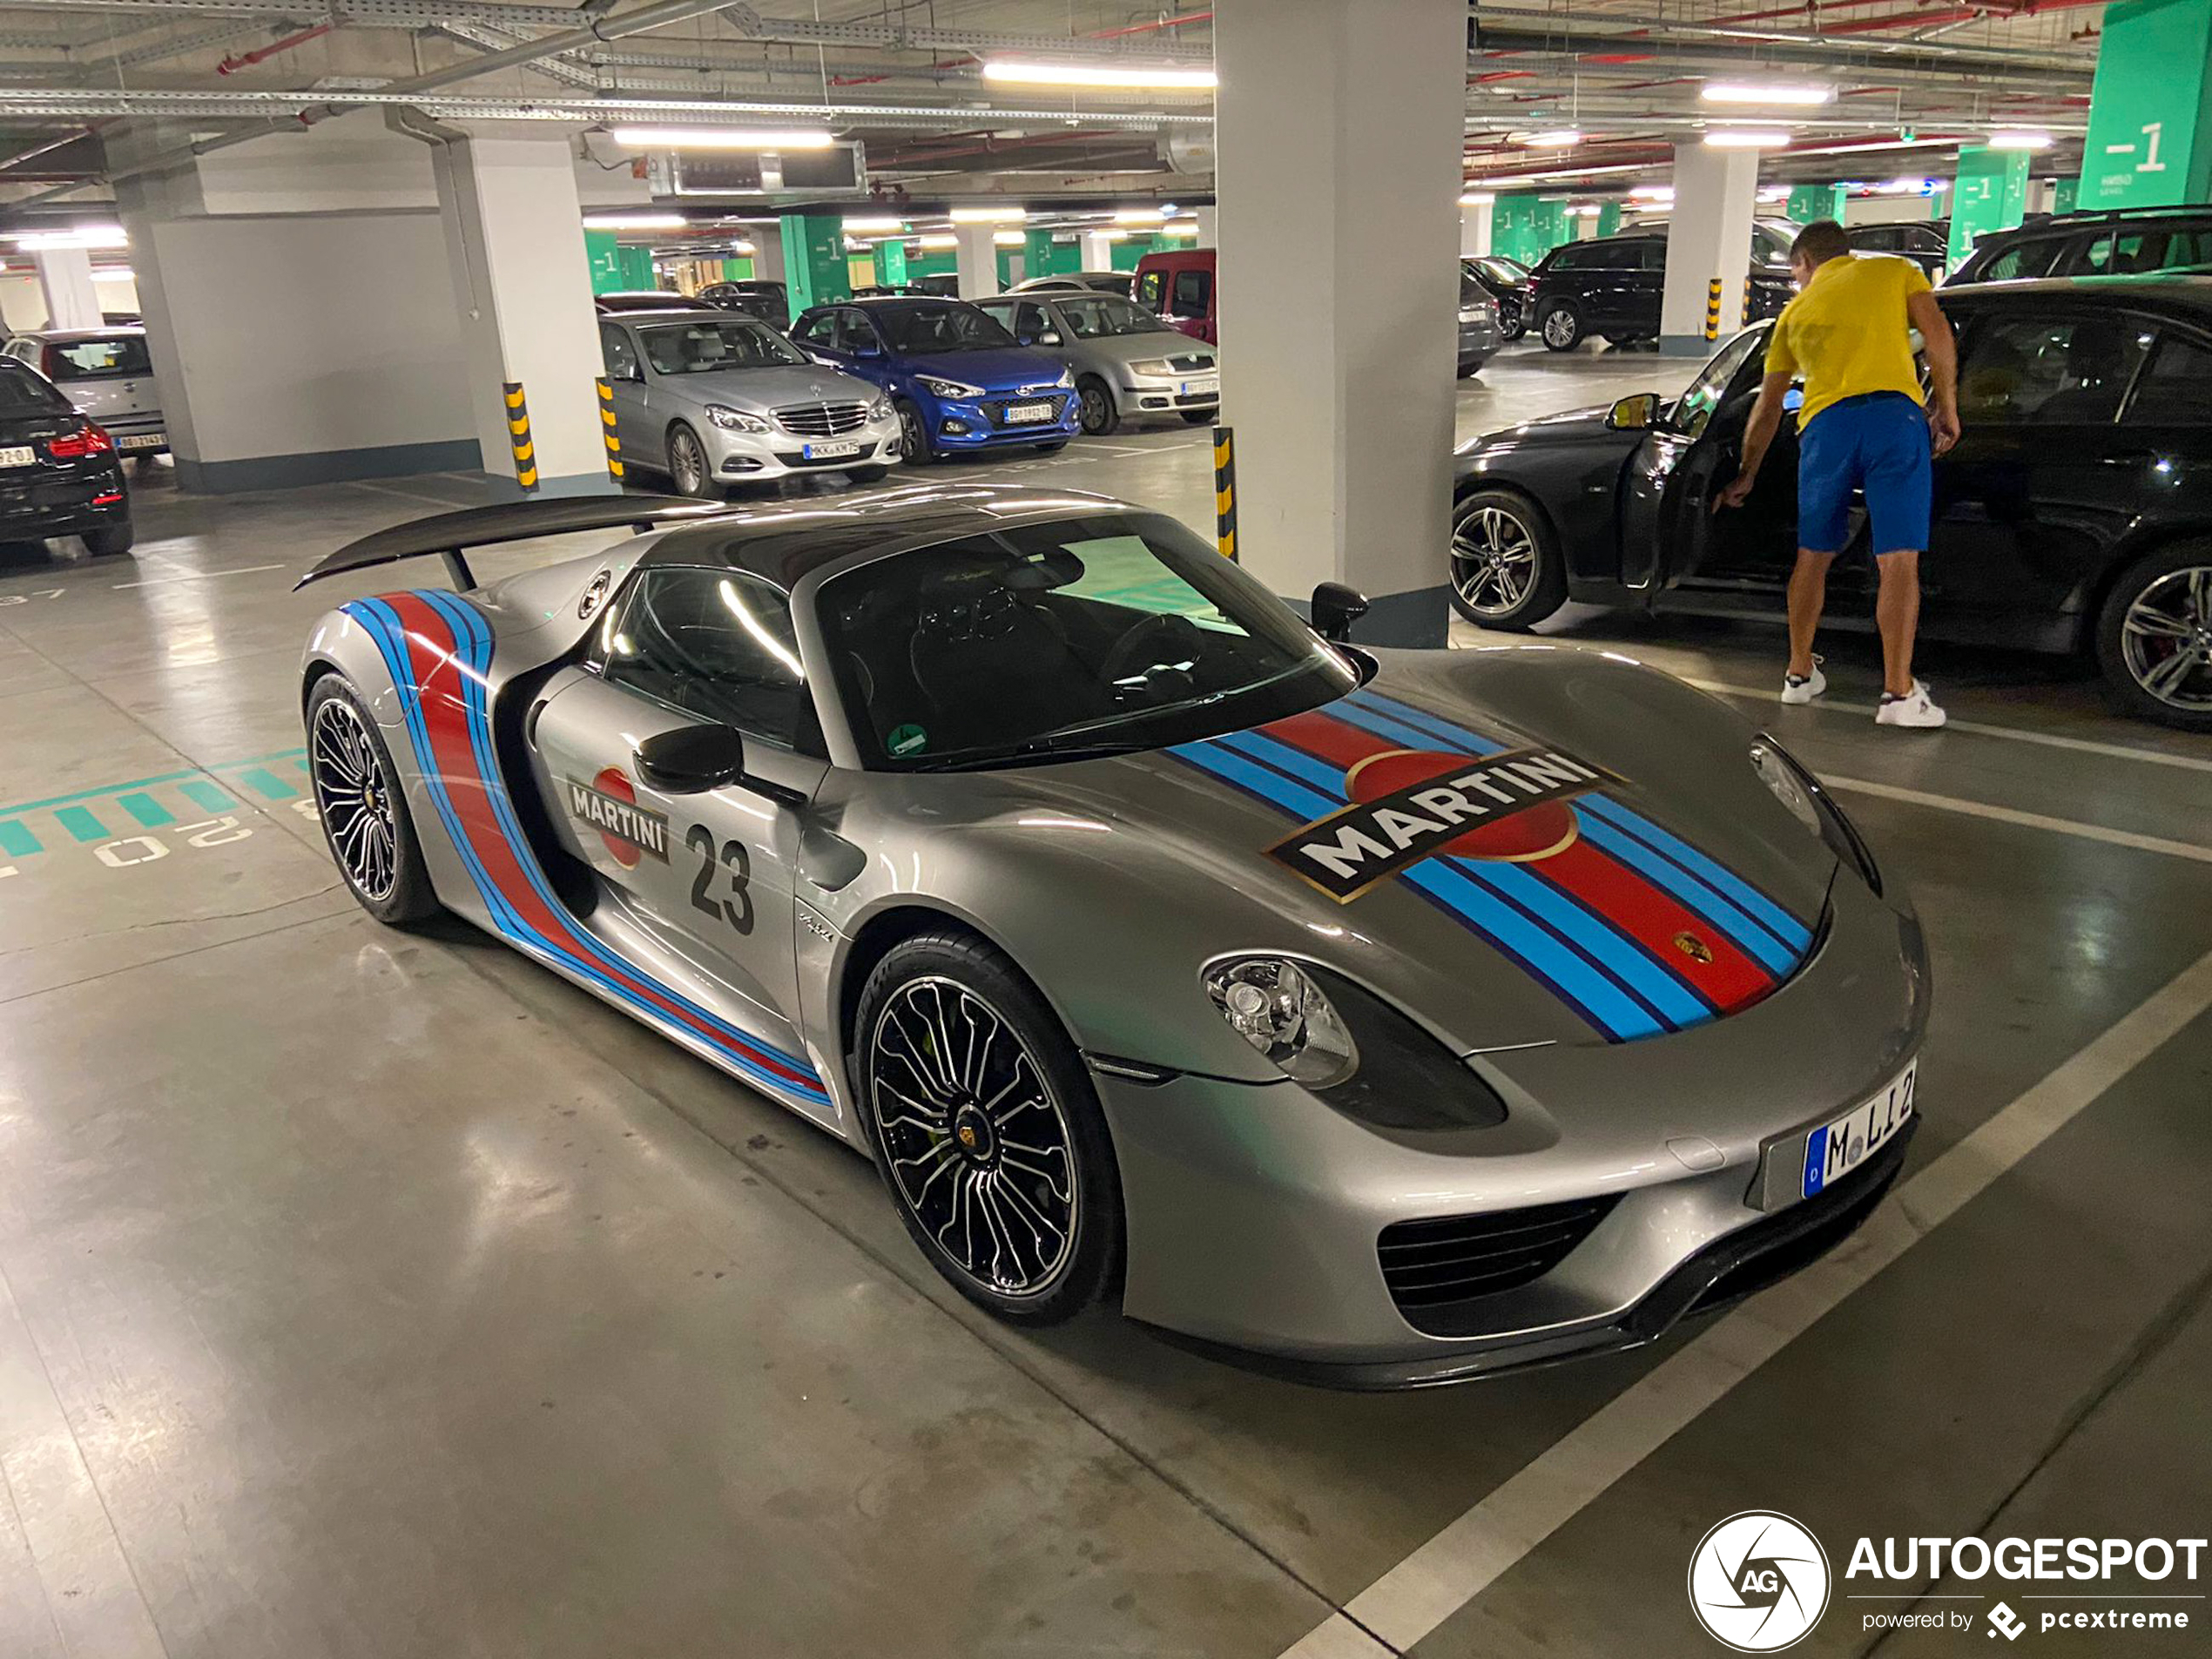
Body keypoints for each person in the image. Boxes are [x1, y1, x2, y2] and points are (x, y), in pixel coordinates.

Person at [1716, 219, 1960, 728]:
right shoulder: (1896, 273)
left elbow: (1766, 408)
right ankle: (1898, 694)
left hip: (1825, 429)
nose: (1797, 283)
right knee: (1897, 560)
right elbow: (1937, 333)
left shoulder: (1793, 314)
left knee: (1813, 555)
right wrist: (1948, 408)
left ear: (1804, 262)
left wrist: (1747, 473)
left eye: (1794, 272)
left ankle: (1799, 675)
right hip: (1893, 419)